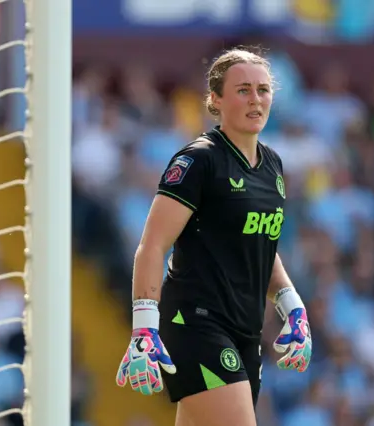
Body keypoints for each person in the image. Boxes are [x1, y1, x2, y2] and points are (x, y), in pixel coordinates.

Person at [116, 47, 313, 426]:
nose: (255, 99)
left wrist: (293, 306)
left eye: (263, 89)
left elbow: (259, 245)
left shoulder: (272, 165)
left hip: (245, 329)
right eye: (243, 90)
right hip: (196, 324)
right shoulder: (198, 161)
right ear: (216, 101)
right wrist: (144, 327)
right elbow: (152, 246)